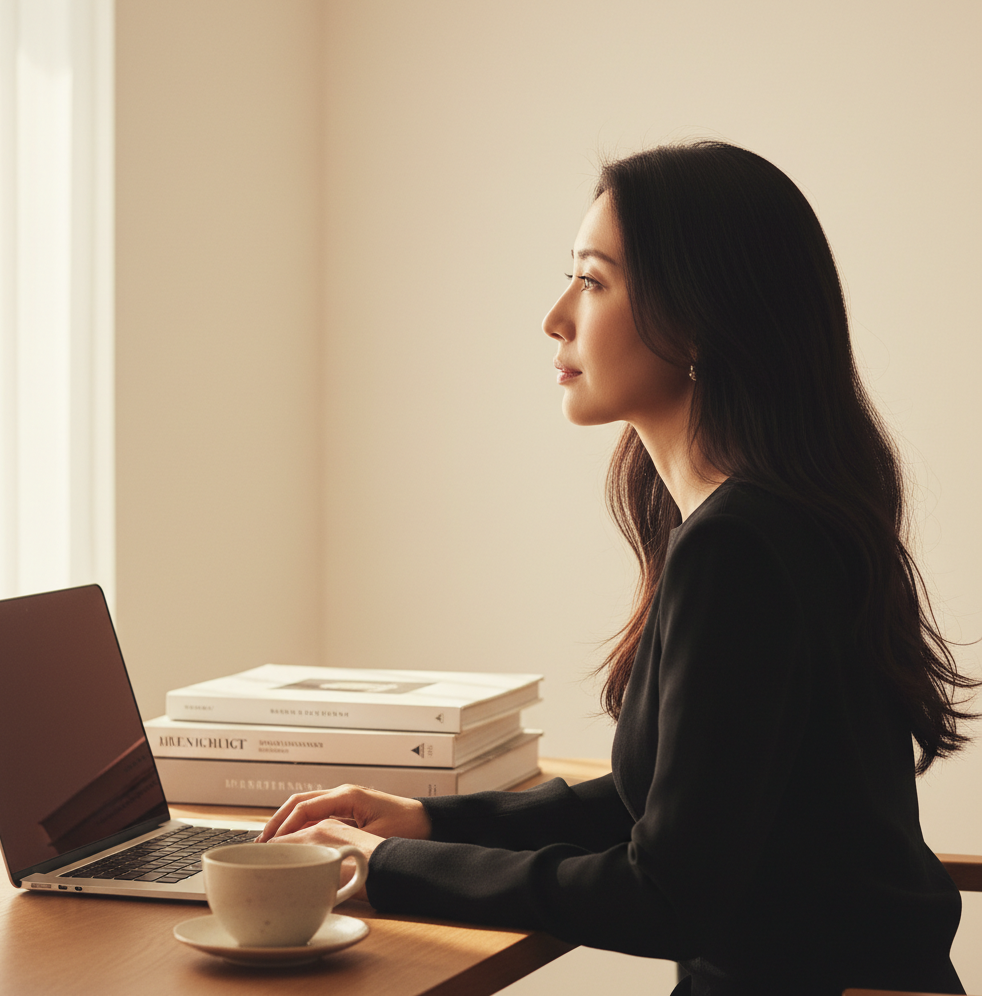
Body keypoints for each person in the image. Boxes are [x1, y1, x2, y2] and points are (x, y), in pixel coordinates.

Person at [257, 141, 974, 996]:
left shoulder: (740, 548)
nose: (555, 316)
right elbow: (669, 806)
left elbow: (666, 894)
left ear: (698, 317)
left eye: (592, 282)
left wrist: (385, 867)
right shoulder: (768, 520)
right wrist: (423, 822)